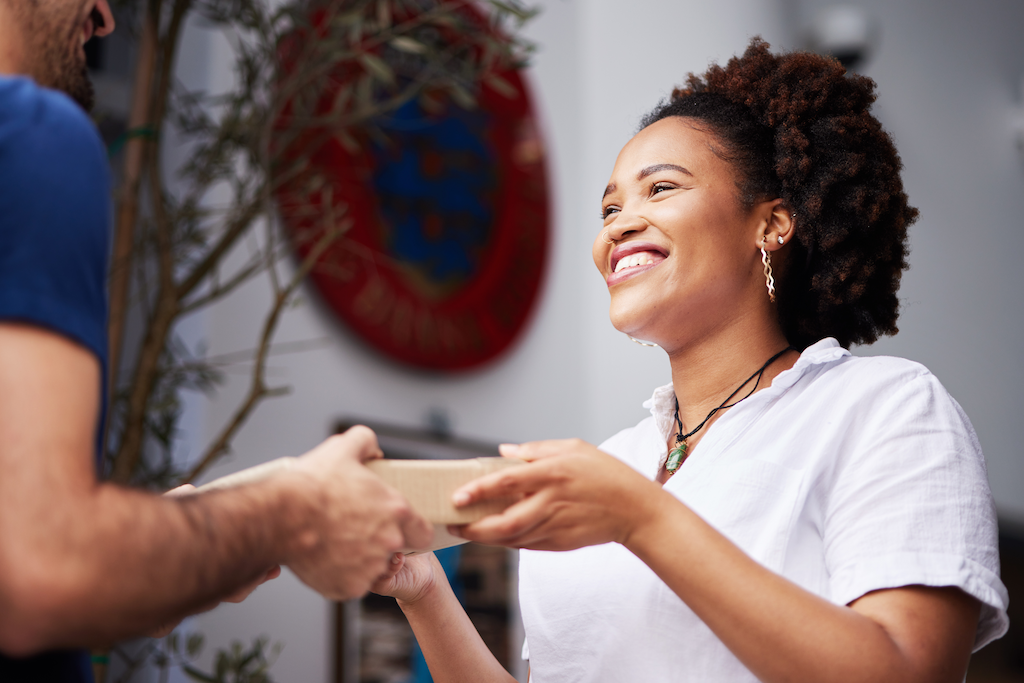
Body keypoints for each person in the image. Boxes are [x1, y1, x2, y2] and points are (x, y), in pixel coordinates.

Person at [372, 39, 1009, 683]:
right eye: (610, 208)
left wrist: (638, 517)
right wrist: (422, 592)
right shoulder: (614, 464)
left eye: (661, 189)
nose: (619, 225)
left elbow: (908, 670)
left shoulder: (884, 409)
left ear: (772, 224)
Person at [0, 0, 433, 680]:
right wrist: (291, 513)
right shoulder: (30, 136)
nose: (106, 16)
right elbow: (43, 566)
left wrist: (206, 532)